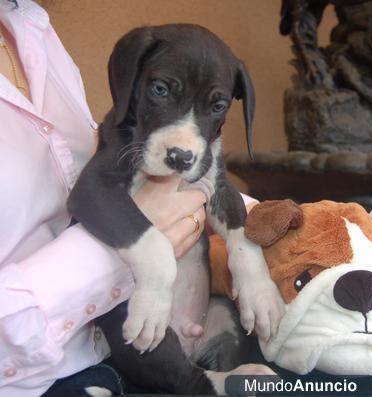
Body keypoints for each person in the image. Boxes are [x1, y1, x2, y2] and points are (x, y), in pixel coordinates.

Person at [0, 1, 254, 395]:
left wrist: (273, 233)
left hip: (108, 348)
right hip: (43, 375)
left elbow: (106, 174)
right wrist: (140, 258)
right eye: (160, 90)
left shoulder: (31, 26)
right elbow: (95, 193)